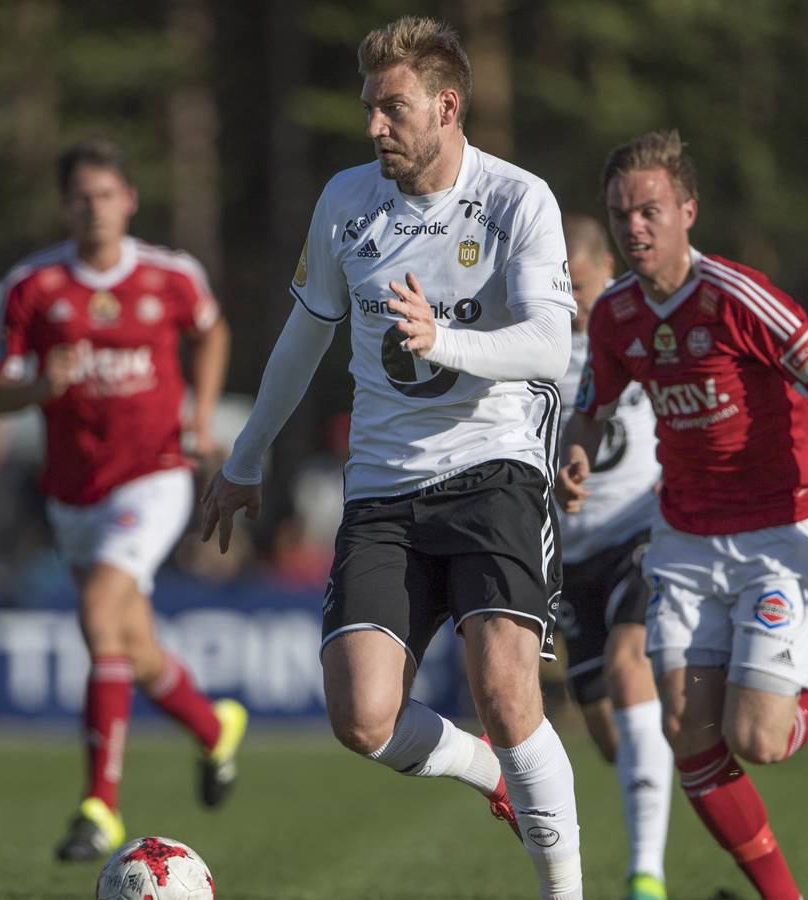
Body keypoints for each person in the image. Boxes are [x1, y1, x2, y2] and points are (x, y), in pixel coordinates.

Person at [202, 17, 584, 899]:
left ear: (447, 107)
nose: (375, 126)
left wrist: (443, 339)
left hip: (495, 469)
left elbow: (547, 348)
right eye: (370, 108)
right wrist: (247, 457)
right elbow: (304, 338)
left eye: (394, 108)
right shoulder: (344, 201)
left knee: (502, 683)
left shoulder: (518, 199)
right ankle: (493, 776)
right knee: (361, 717)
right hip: (382, 489)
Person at [556, 130, 808, 899]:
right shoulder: (616, 315)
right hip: (686, 541)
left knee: (758, 739)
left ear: (688, 211)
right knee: (688, 738)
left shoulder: (734, 296)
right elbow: (592, 408)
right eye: (622, 213)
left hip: (775, 534)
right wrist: (578, 453)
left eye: (650, 211)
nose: (634, 227)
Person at [0, 137, 246, 862]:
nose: (93, 207)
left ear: (129, 199)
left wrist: (200, 418)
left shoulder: (170, 275)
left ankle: (100, 806)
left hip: (155, 472)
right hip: (74, 492)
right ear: (64, 204)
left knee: (99, 612)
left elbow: (213, 328)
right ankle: (213, 727)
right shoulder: (31, 287)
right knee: (131, 643)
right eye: (80, 195)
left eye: (106, 194)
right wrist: (41, 384)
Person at [555, 214, 671, 900]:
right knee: (606, 733)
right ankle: (666, 770)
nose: (569, 301)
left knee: (631, 670)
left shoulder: (636, 330)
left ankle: (645, 875)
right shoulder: (538, 345)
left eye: (576, 283)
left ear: (605, 269)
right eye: (557, 286)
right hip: (571, 556)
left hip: (641, 531)